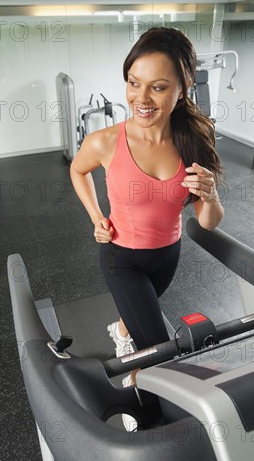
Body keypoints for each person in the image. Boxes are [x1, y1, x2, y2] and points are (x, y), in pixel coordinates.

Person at [70, 26, 224, 396]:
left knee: (138, 315)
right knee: (158, 349)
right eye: (133, 82)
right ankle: (139, 395)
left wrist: (212, 195)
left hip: (167, 256)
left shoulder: (193, 144)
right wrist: (96, 216)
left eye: (158, 86)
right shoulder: (105, 141)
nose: (141, 97)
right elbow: (77, 170)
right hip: (121, 257)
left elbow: (207, 221)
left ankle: (121, 331)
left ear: (182, 89)